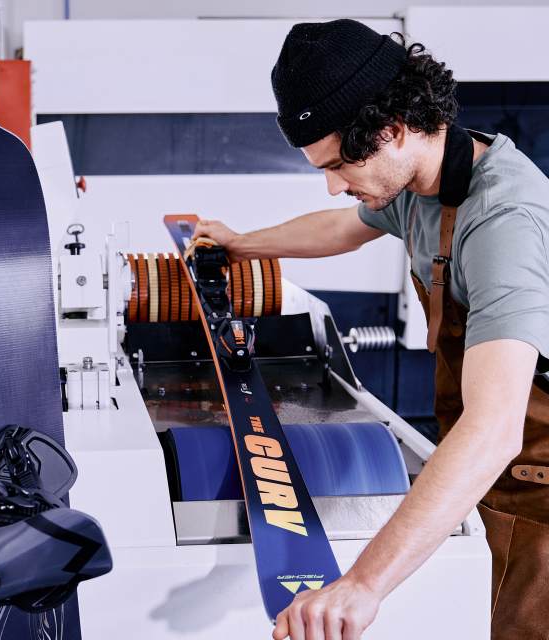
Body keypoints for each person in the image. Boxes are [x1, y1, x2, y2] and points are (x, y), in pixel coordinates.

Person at [192, 19, 549, 640]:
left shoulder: (504, 223)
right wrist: (243, 244)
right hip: (491, 487)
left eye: (338, 164)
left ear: (391, 129)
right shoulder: (420, 180)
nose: (334, 184)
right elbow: (342, 228)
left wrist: (362, 584)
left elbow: (495, 430)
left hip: (537, 496)